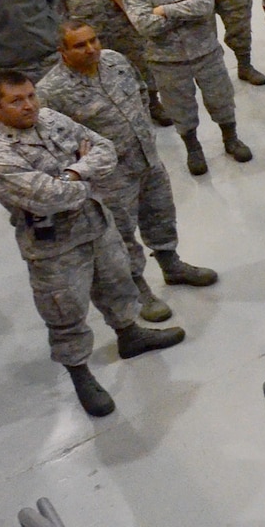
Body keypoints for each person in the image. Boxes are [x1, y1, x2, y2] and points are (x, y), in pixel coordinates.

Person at [0, 70, 184, 418]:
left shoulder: (50, 118)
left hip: (96, 224)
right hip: (54, 247)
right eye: (17, 100)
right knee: (65, 312)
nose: (29, 106)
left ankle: (129, 335)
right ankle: (80, 373)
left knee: (117, 284)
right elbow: (48, 197)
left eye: (30, 96)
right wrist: (83, 172)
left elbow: (105, 149)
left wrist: (72, 172)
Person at [38, 21, 217, 321]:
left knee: (160, 214)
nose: (91, 48)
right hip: (109, 177)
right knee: (120, 235)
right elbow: (50, 143)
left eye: (93, 40)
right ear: (63, 52)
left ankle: (170, 264)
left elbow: (142, 93)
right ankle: (137, 287)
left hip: (147, 158)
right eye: (80, 45)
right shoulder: (51, 91)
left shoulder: (115, 61)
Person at [121, 0, 251, 174]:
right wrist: (184, 8)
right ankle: (193, 148)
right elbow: (146, 26)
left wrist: (163, 10)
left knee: (221, 98)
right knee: (180, 109)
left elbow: (204, 6)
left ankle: (231, 139)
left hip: (205, 52)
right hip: (166, 60)